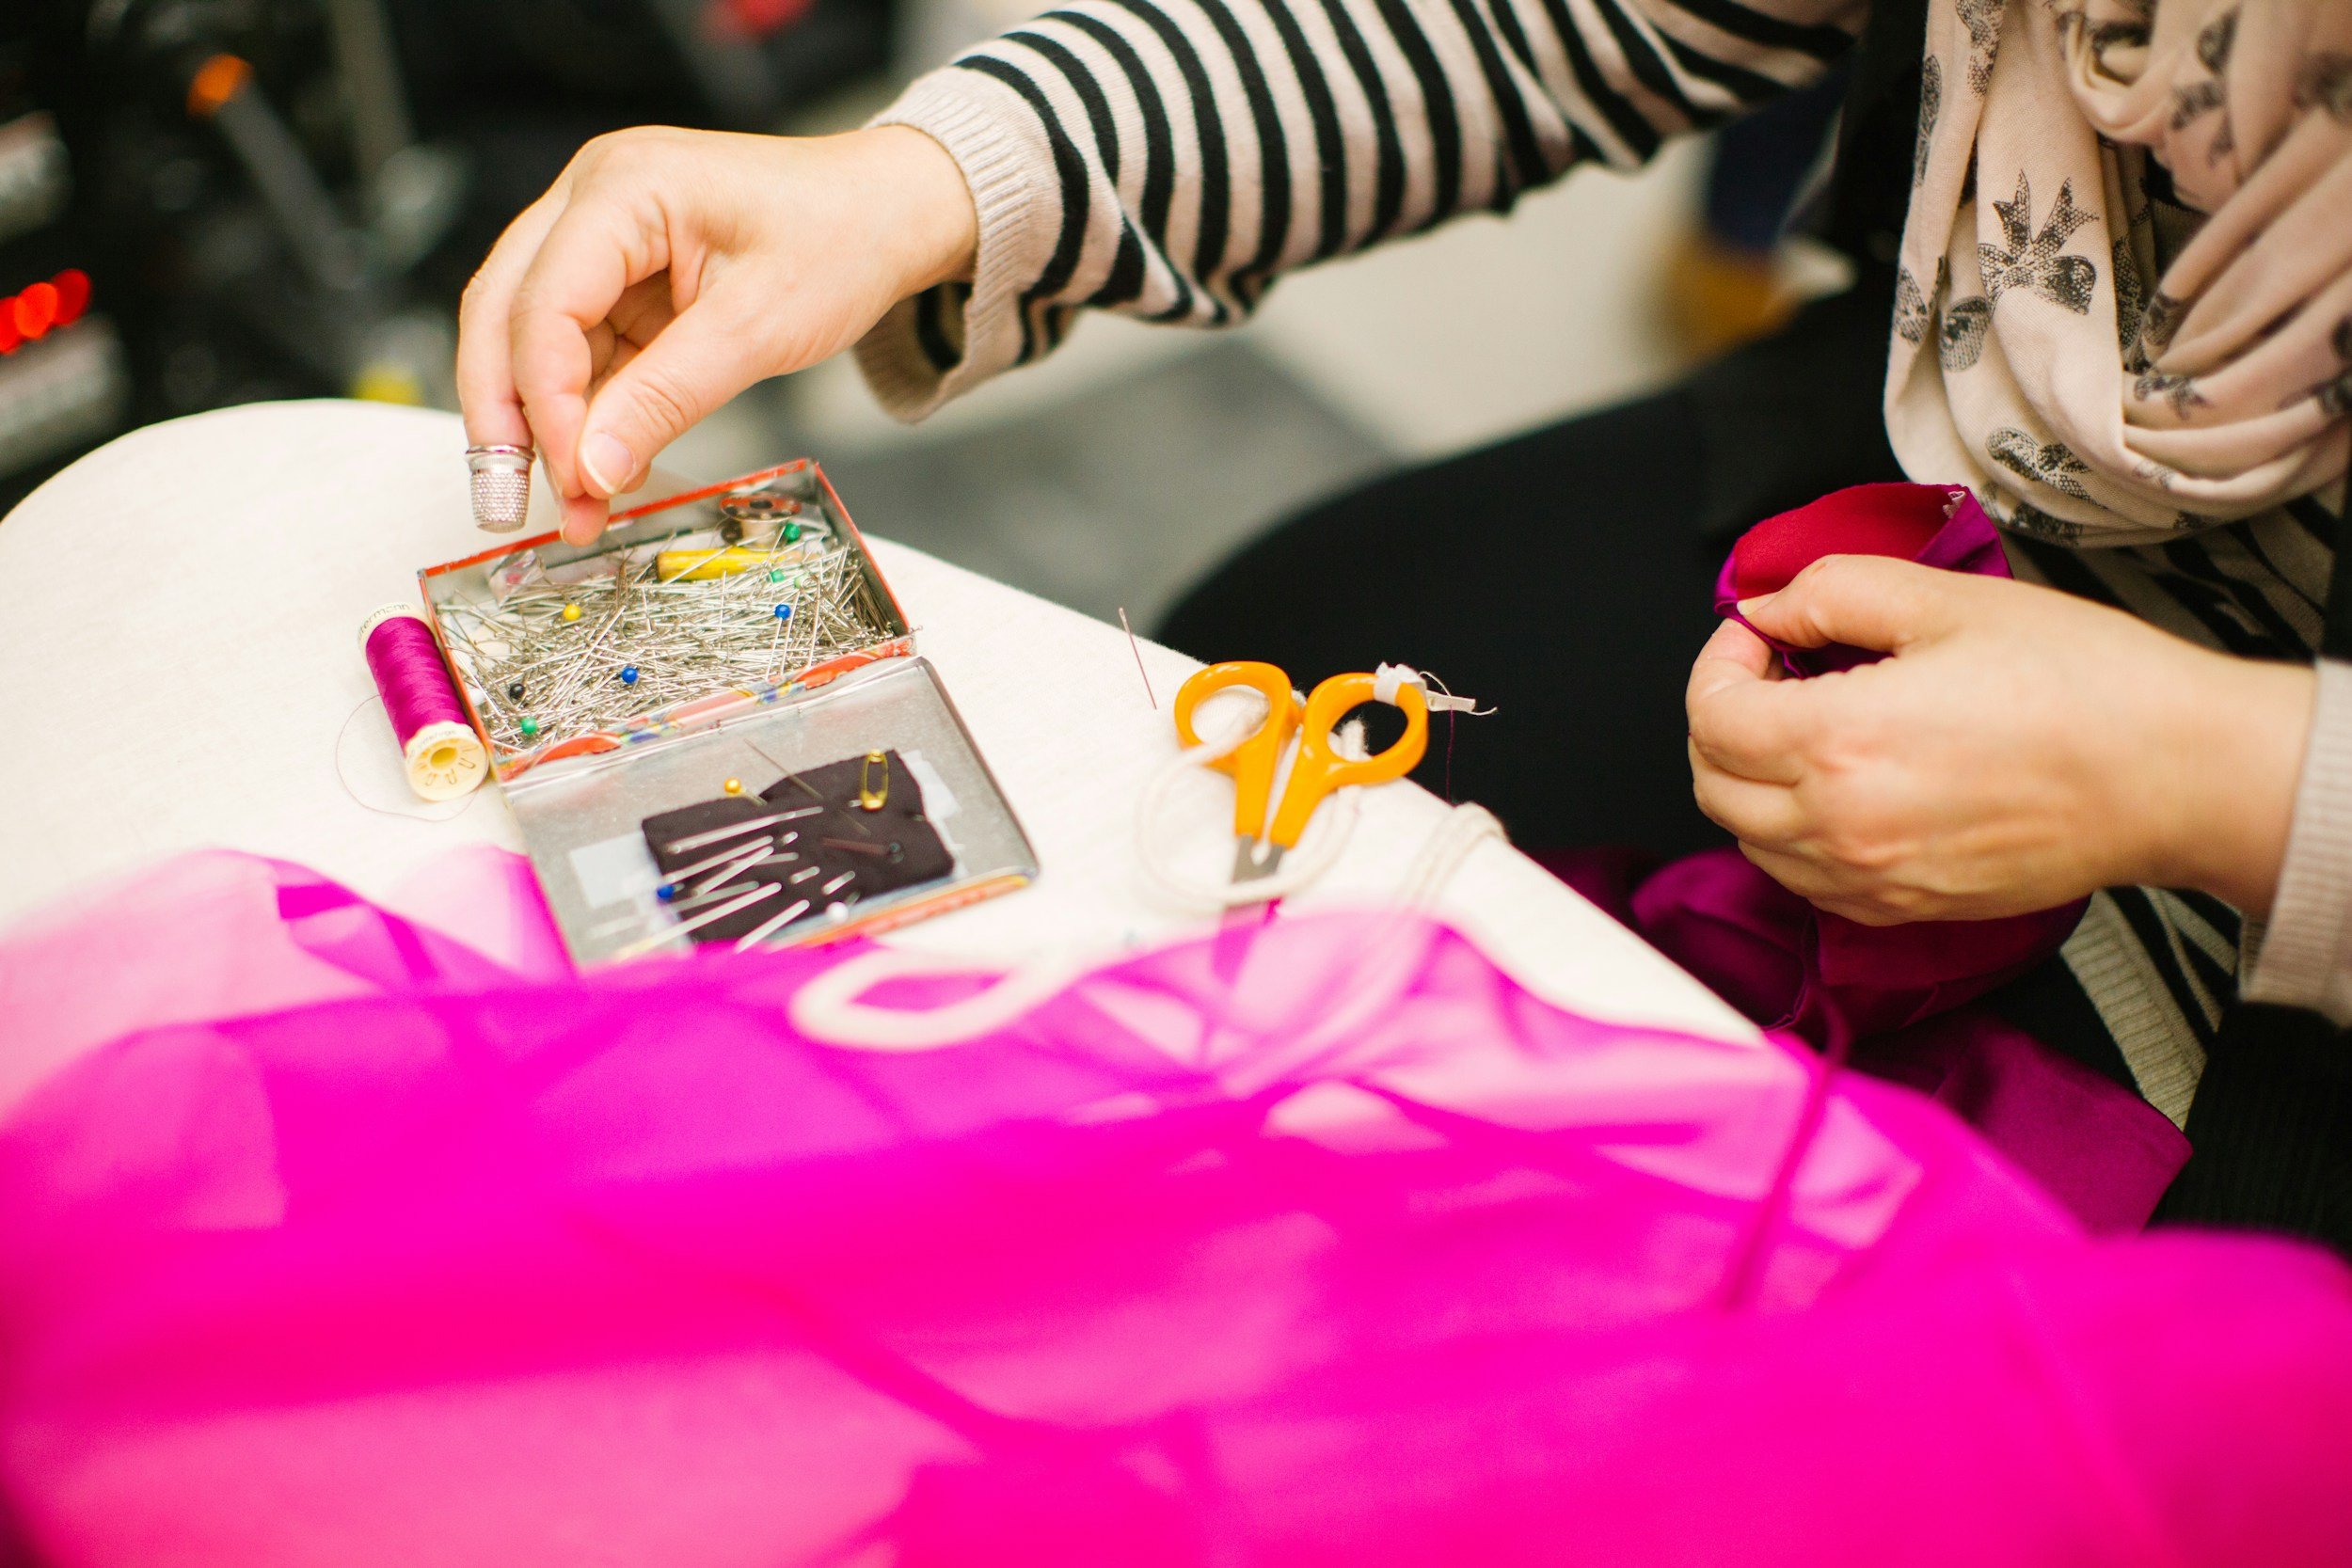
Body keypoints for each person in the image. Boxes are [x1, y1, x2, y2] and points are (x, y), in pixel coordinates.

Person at [455, 0, 2352, 1239]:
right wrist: (924, 181)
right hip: (1922, 502)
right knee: (1235, 688)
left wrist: (2224, 776)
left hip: (2283, 926)